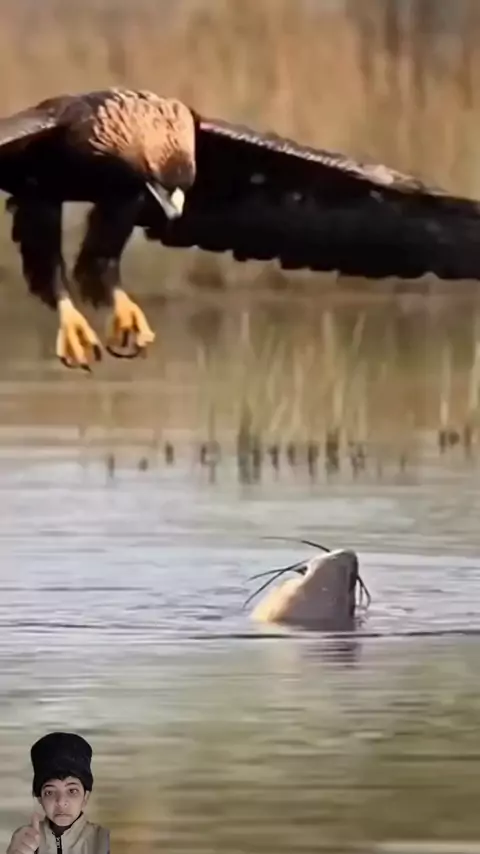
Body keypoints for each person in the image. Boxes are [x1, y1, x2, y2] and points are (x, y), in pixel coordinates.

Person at [6, 731, 110, 854]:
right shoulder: (25, 839)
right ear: (40, 799)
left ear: (85, 797)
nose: (60, 802)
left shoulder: (104, 840)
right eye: (50, 792)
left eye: (72, 791)